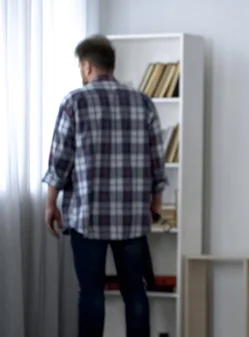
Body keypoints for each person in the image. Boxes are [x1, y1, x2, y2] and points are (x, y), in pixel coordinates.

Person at [42, 35, 167, 337]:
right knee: (135, 291)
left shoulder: (75, 102)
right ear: (111, 65)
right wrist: (156, 204)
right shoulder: (143, 102)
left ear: (86, 66)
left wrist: (50, 204)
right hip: (133, 218)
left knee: (91, 292)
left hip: (88, 216)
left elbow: (61, 160)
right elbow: (156, 160)